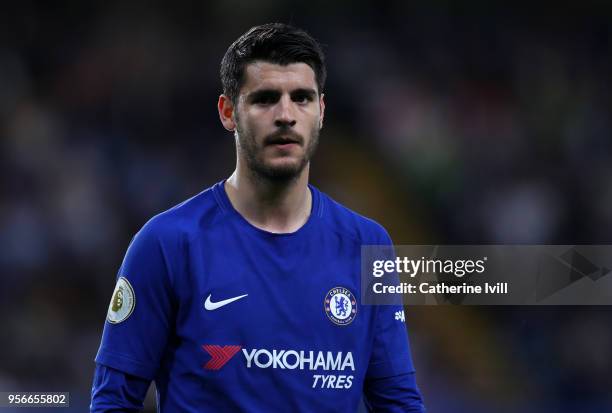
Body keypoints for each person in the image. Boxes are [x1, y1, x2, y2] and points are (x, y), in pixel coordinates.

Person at [91, 23, 425, 412]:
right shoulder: (167, 243)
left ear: (321, 111)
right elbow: (113, 401)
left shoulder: (368, 244)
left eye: (301, 98)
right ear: (228, 112)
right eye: (266, 99)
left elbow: (398, 402)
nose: (286, 115)